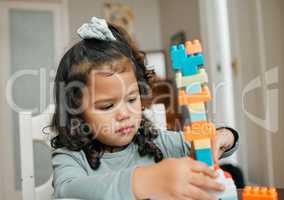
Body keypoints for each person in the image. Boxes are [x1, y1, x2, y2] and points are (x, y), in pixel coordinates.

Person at [50, 17, 239, 200]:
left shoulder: (158, 142)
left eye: (132, 99)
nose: (124, 114)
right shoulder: (71, 158)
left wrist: (224, 136)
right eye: (107, 106)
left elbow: (213, 142)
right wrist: (143, 181)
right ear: (77, 113)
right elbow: (66, 191)